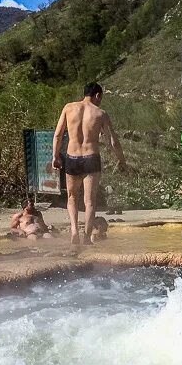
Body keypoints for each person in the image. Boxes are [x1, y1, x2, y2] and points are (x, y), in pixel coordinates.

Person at [52, 82, 126, 245]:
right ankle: (86, 236)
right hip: (91, 158)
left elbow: (57, 135)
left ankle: (73, 231)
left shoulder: (68, 108)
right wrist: (121, 160)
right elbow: (112, 141)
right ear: (97, 95)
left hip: (72, 157)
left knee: (72, 197)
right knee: (90, 200)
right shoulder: (100, 113)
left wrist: (55, 156)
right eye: (101, 97)